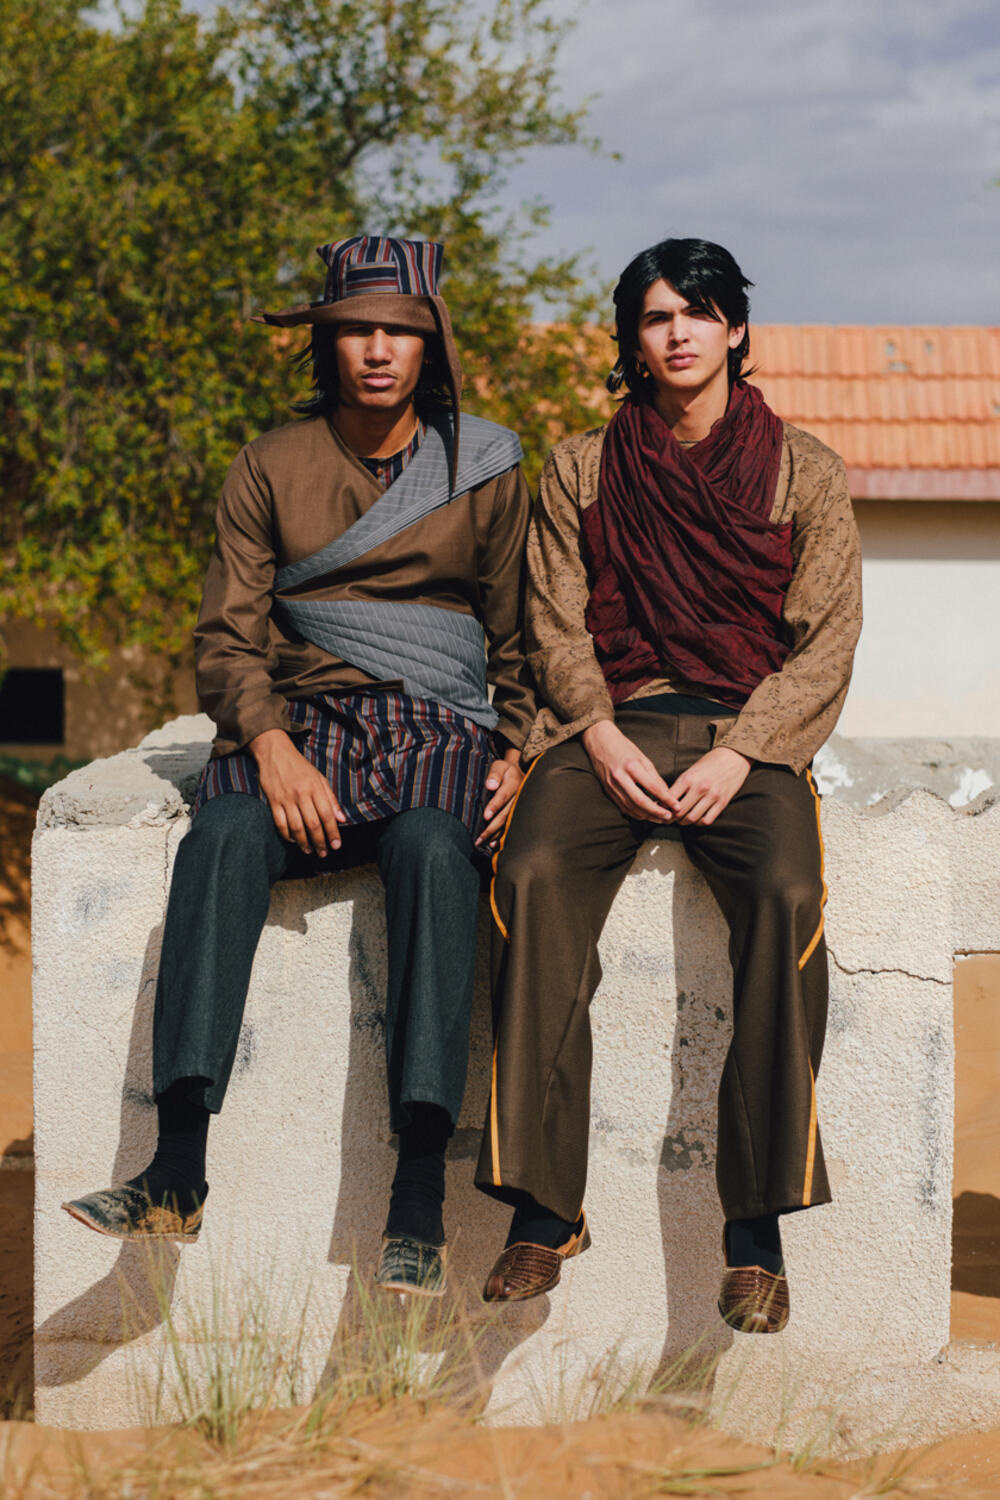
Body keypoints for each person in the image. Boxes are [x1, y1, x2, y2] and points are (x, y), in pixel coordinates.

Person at [63, 234, 535, 1298]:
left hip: (435, 725)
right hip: (302, 722)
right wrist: (269, 745)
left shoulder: (486, 465)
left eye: (398, 332)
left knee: (434, 850)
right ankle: (175, 1168)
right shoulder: (268, 465)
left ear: (430, 345)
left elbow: (520, 632)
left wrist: (520, 747)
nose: (377, 350)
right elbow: (227, 639)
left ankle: (417, 1198)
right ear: (327, 343)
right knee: (222, 836)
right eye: (356, 329)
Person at [474, 237, 862, 1332]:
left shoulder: (805, 470)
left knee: (786, 896)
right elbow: (552, 623)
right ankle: (544, 1211)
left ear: (735, 329)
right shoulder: (580, 468)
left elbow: (827, 640)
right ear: (632, 342)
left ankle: (755, 1233)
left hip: (752, 735)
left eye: (698, 311)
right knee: (531, 874)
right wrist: (596, 735)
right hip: (611, 725)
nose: (678, 332)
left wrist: (744, 750)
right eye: (655, 317)